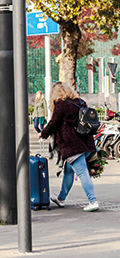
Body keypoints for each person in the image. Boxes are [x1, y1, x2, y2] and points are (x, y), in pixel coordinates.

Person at [41, 82, 99, 211]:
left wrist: (43, 134)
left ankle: (93, 201)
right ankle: (61, 198)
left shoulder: (61, 105)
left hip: (72, 145)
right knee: (68, 170)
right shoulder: (80, 102)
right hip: (86, 142)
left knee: (82, 172)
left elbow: (54, 122)